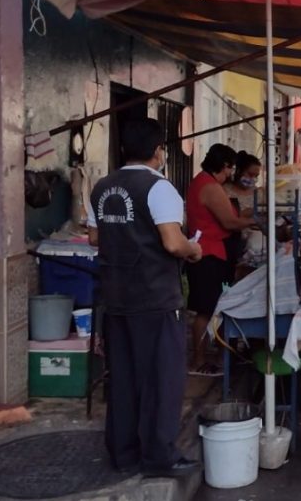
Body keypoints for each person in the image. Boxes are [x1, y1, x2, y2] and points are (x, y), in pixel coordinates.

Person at [89, 119, 202, 477]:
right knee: (161, 380)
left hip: (116, 295)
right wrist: (194, 248)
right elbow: (172, 242)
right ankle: (158, 457)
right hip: (154, 297)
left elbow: (95, 238)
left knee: (122, 378)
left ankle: (123, 453)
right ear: (158, 152)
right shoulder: (159, 187)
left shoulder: (102, 187)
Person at [186, 143, 258, 376]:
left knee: (212, 307)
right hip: (209, 252)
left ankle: (216, 355)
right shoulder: (209, 186)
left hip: (210, 250)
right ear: (224, 166)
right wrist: (256, 221)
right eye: (230, 168)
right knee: (206, 310)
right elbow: (229, 222)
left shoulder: (203, 182)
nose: (231, 173)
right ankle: (198, 361)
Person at [223, 150, 262, 274]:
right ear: (239, 171)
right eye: (250, 174)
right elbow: (226, 215)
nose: (253, 179)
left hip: (254, 248)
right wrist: (249, 212)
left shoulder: (259, 194)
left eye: (256, 176)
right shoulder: (224, 191)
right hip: (231, 243)